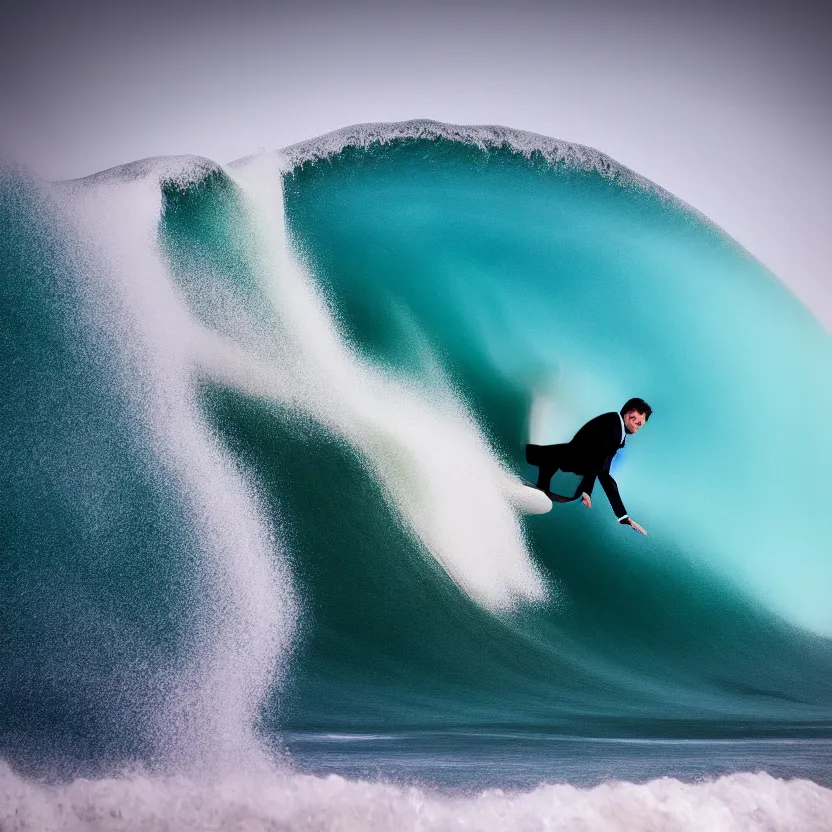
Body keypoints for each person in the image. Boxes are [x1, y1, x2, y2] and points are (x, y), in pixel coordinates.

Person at [525, 398, 652, 535]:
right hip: (555, 458)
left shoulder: (617, 430)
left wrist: (622, 516)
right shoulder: (613, 427)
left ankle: (540, 490)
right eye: (638, 423)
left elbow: (603, 472)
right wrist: (587, 490)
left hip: (558, 459)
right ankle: (538, 490)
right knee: (543, 464)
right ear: (631, 413)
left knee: (547, 477)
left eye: (640, 426)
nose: (637, 428)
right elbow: (596, 460)